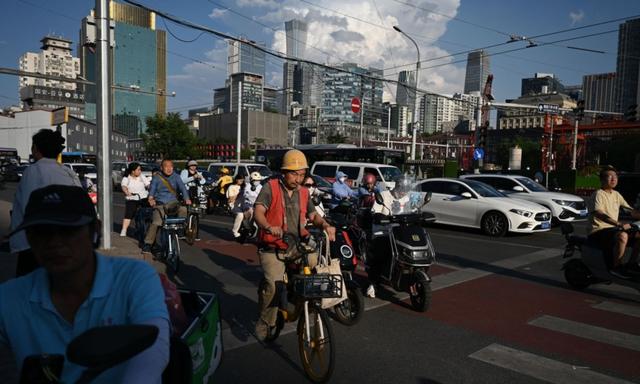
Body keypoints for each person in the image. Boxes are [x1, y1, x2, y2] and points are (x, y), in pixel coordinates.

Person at [0, 185, 169, 383]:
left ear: (94, 230)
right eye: (41, 232)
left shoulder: (135, 277)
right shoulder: (9, 298)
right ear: (29, 238)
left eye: (67, 230)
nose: (54, 242)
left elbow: (154, 349)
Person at [253, 149, 336, 341]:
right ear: (284, 172)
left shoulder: (305, 193)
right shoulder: (270, 187)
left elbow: (313, 215)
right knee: (273, 285)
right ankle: (265, 321)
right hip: (273, 246)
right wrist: (267, 226)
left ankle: (307, 305)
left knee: (317, 271)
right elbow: (258, 211)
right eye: (294, 173)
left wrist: (325, 225)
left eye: (301, 174)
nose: (298, 179)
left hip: (298, 245)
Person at [9, 129, 81, 276]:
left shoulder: (33, 171)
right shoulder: (69, 173)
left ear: (35, 149)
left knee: (31, 291)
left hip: (36, 247)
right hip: (65, 244)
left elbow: (30, 208)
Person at [365, 175, 415, 298]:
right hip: (383, 232)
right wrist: (380, 217)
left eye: (406, 189)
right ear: (396, 186)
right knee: (380, 254)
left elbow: (413, 211)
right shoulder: (383, 195)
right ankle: (373, 284)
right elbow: (374, 211)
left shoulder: (407, 198)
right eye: (401, 189)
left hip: (400, 232)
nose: (403, 192)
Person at [587, 166, 640, 277]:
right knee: (623, 236)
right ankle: (617, 267)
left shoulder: (616, 194)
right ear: (602, 180)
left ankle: (631, 264)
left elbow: (630, 211)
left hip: (612, 230)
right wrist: (618, 223)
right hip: (598, 231)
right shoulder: (598, 194)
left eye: (615, 176)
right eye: (610, 177)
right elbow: (598, 213)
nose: (613, 179)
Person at [142, 159, 191, 255]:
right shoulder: (156, 177)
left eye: (171, 167)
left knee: (183, 209)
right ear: (161, 168)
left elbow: (182, 188)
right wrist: (151, 198)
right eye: (166, 166)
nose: (169, 169)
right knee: (156, 223)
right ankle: (148, 244)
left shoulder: (176, 177)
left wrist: (187, 198)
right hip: (160, 204)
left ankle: (180, 230)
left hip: (173, 204)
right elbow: (152, 190)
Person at [120, 162, 151, 237]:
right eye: (138, 170)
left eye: (140, 170)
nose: (140, 171)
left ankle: (147, 230)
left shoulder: (141, 176)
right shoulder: (127, 178)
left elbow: (148, 185)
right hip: (132, 198)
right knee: (129, 214)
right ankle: (124, 230)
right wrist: (127, 192)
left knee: (148, 213)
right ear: (133, 171)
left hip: (143, 198)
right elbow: (124, 186)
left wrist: (151, 189)